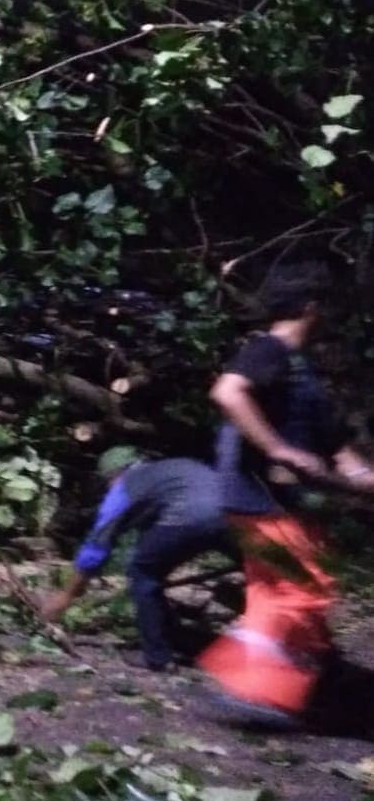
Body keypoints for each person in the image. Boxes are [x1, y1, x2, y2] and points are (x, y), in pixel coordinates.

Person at [198, 261, 374, 727]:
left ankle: (319, 680)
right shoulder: (268, 350)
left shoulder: (300, 373)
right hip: (263, 501)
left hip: (272, 504)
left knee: (274, 591)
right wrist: (277, 449)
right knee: (304, 588)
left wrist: (362, 478)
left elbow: (337, 449)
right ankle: (251, 690)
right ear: (312, 307)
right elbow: (228, 392)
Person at [40, 446, 231, 671]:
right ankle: (185, 640)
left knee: (142, 573)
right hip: (234, 514)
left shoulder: (125, 487)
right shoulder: (166, 473)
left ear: (113, 475)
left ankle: (157, 657)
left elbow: (96, 546)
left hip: (190, 514)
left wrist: (66, 595)